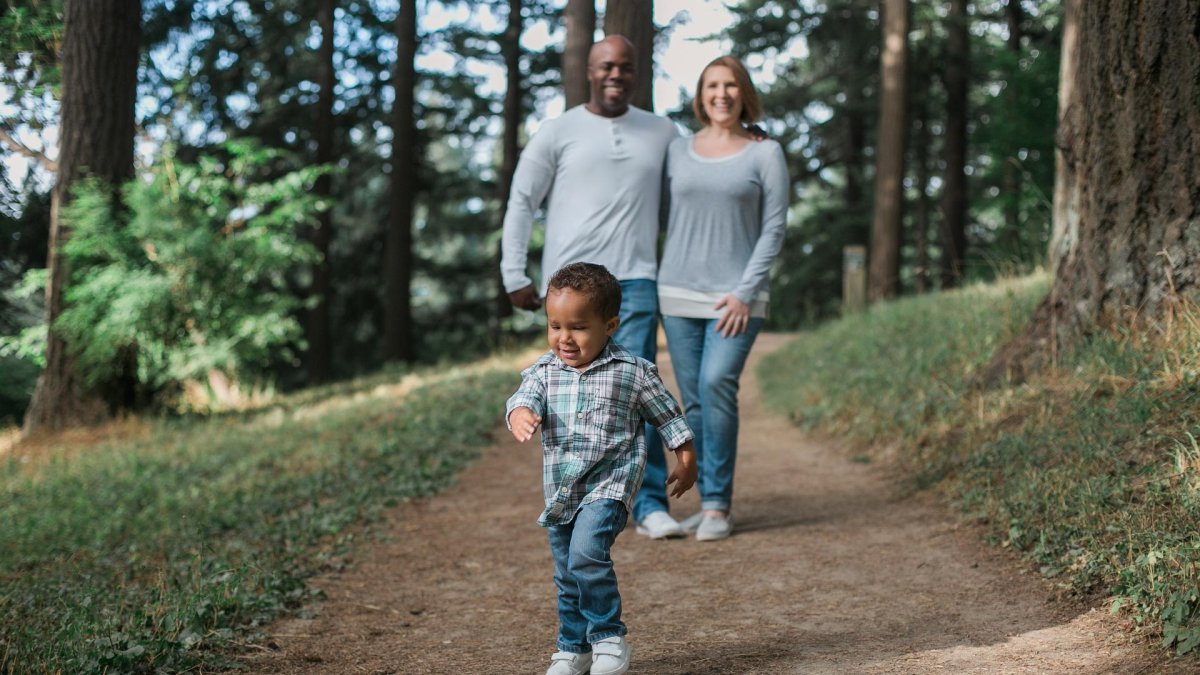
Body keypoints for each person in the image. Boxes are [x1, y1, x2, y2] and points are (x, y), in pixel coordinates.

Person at [501, 35, 688, 539]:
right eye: (606, 65)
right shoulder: (557, 131)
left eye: (626, 67)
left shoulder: (663, 131)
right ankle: (582, 498)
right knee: (569, 397)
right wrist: (514, 274)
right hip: (569, 285)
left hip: (637, 279)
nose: (616, 74)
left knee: (637, 391)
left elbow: (696, 183)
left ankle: (647, 505)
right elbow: (523, 200)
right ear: (589, 69)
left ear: (636, 72)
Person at [506, 262, 697, 675]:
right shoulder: (543, 371)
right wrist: (521, 412)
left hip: (610, 485)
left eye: (577, 327)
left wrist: (686, 459)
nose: (564, 338)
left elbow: (668, 417)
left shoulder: (631, 372)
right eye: (555, 326)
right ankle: (573, 648)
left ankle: (609, 636)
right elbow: (522, 398)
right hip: (561, 492)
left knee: (587, 554)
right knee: (567, 573)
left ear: (609, 325)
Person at [657, 55, 789, 542]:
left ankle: (718, 506)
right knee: (692, 400)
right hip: (677, 293)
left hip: (737, 298)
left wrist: (743, 292)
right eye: (712, 85)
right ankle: (707, 497)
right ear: (701, 95)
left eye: (731, 85)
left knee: (716, 384)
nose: (722, 94)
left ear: (744, 93)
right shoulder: (677, 150)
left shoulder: (765, 153)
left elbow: (775, 227)